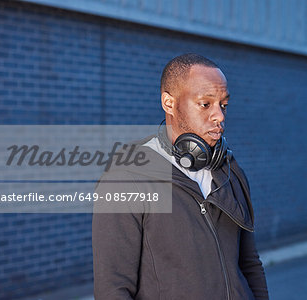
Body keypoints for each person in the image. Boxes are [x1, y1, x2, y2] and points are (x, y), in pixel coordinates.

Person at [92, 53, 269, 299]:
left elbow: (249, 264)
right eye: (205, 104)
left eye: (223, 105)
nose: (220, 116)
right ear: (169, 103)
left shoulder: (230, 170)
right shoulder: (126, 178)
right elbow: (113, 289)